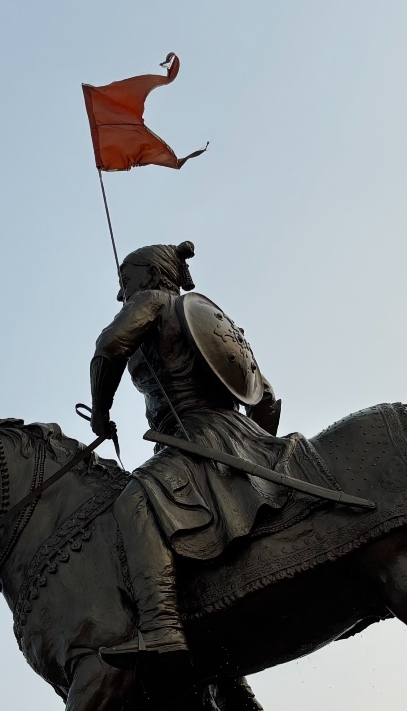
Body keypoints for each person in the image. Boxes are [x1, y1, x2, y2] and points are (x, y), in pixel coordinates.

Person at [87, 241, 326, 670]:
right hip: (242, 437)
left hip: (196, 437)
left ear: (151, 276)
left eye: (125, 280)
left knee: (135, 502)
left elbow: (109, 347)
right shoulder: (211, 321)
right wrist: (254, 454)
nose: (121, 293)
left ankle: (160, 626)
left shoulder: (152, 301)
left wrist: (100, 413)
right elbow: (266, 398)